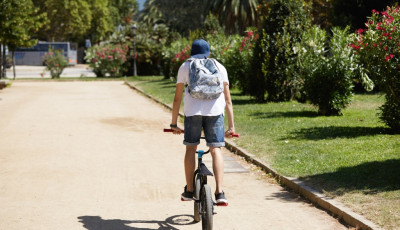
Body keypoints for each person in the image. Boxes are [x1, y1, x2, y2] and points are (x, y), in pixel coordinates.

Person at [170, 39, 235, 206]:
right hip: (215, 113)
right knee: (216, 149)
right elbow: (228, 100)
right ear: (208, 53)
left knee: (191, 148)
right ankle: (220, 192)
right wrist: (231, 127)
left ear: (192, 53)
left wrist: (173, 124)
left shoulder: (186, 66)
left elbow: (177, 99)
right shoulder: (220, 67)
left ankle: (190, 190)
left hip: (193, 113)